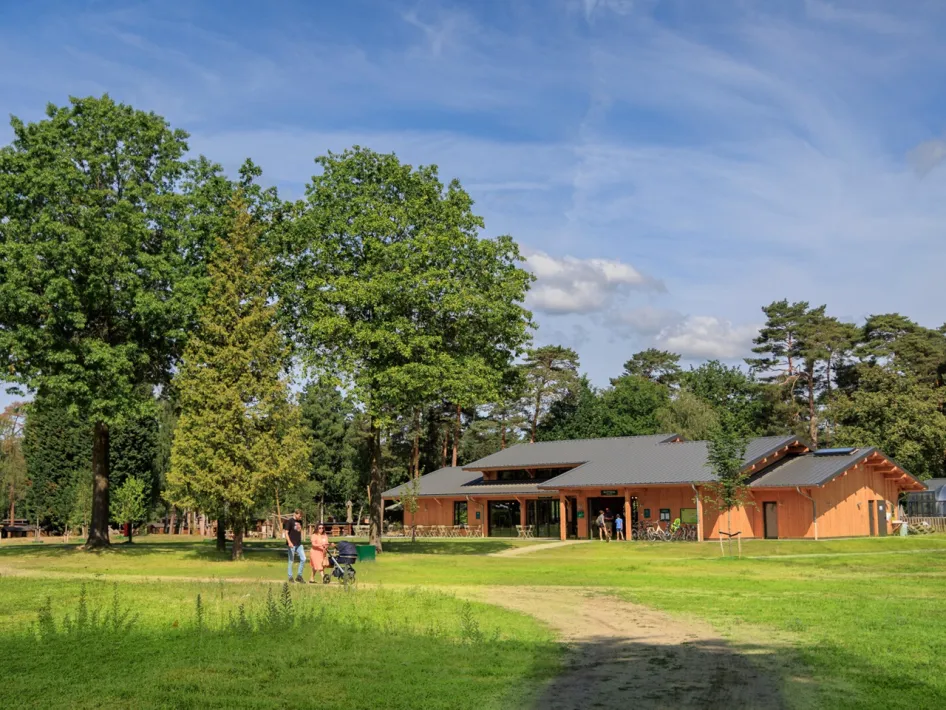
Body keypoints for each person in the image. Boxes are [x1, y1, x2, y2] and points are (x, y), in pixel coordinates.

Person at [284, 509, 306, 583]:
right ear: (295, 514)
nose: (300, 517)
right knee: (291, 560)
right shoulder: (289, 521)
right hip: (292, 544)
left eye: (301, 516)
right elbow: (286, 533)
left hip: (299, 544)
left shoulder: (300, 522)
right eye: (299, 516)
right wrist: (289, 542)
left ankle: (299, 576)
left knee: (303, 559)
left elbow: (299, 531)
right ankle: (290, 577)